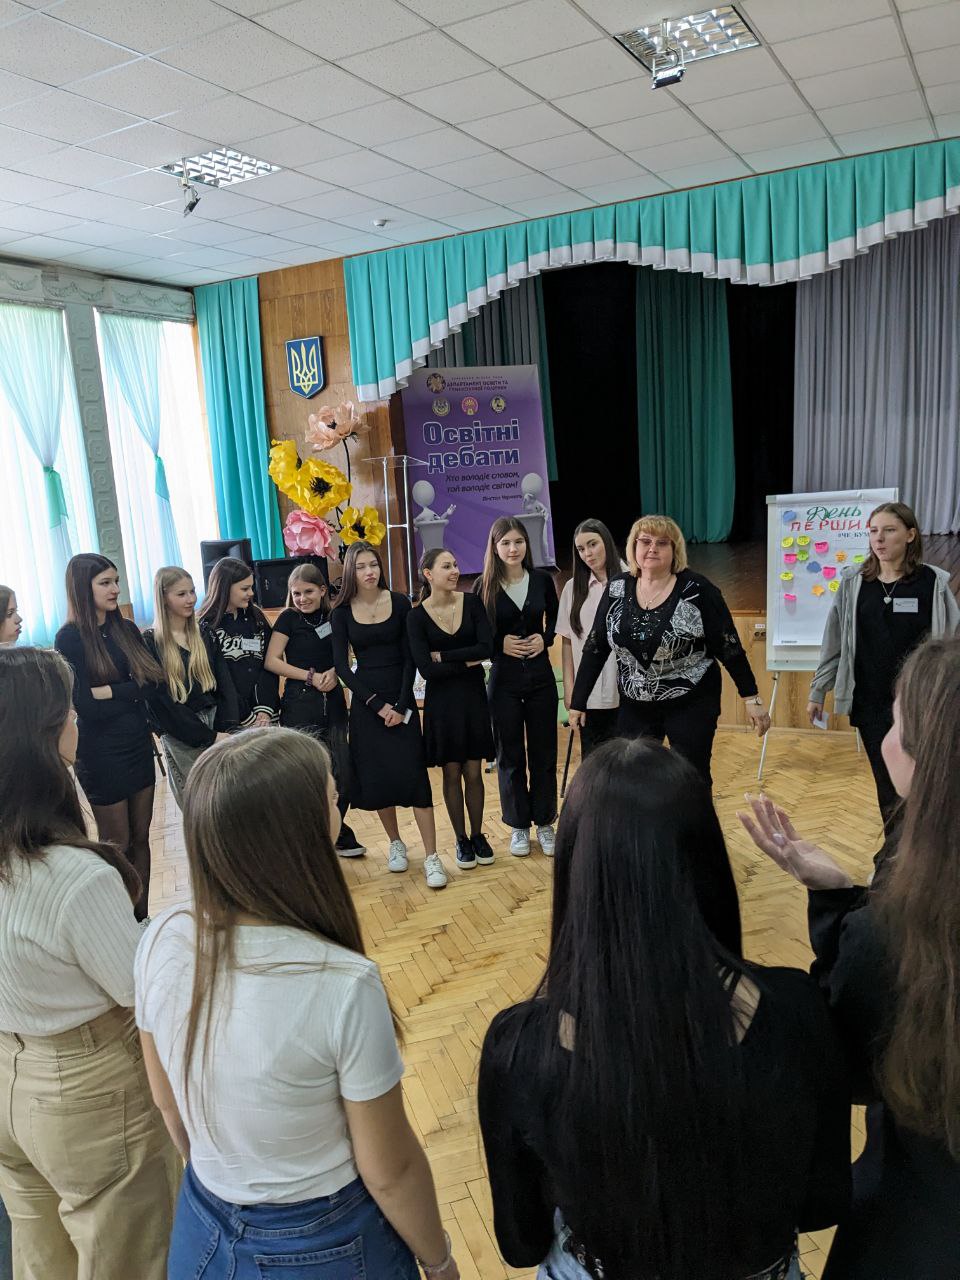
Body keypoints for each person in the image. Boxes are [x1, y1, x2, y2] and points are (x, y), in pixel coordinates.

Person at [479, 738, 850, 1280]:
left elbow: (521, 1242)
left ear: (577, 872)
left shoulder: (519, 1047)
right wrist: (839, 899)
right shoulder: (795, 1010)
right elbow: (823, 1203)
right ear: (708, 863)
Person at [135, 728, 459, 1280]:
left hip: (202, 1223)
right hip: (326, 1243)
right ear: (295, 831)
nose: (339, 800)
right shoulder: (343, 984)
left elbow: (168, 1104)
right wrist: (440, 1260)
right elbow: (390, 1170)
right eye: (331, 796)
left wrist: (229, 1176)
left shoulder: (162, 937)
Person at [741, 636, 960, 1280]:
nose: (884, 738)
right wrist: (844, 894)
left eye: (894, 722)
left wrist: (843, 910)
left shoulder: (893, 938)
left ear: (924, 760)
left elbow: (854, 1069)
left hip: (918, 1224)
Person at [0, 647, 181, 1280]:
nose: (77, 719)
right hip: (85, 1088)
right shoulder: (75, 878)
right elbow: (139, 991)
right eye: (68, 710)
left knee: (41, 1255)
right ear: (45, 736)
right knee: (129, 1256)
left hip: (9, 1074)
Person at [569, 514, 769, 787]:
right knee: (633, 779)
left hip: (690, 700)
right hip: (635, 703)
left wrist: (751, 698)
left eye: (662, 543)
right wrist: (578, 702)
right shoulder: (617, 588)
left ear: (675, 550)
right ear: (633, 547)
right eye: (645, 541)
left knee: (690, 777)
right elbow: (596, 646)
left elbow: (729, 647)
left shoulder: (698, 590)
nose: (652, 548)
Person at [807, 501, 959, 831]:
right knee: (887, 785)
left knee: (923, 784)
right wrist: (818, 690)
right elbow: (835, 641)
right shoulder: (854, 582)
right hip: (870, 702)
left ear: (910, 535)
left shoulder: (932, 583)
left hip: (920, 703)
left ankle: (923, 849)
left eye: (889, 530)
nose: (879, 538)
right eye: (873, 531)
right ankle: (894, 851)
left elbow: (951, 645)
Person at [331, 542, 448, 889]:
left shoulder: (399, 602)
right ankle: (396, 843)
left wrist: (400, 705)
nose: (369, 572)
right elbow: (342, 667)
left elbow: (411, 657)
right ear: (351, 572)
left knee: (415, 778)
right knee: (378, 777)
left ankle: (432, 855)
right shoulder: (341, 613)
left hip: (402, 697)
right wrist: (377, 706)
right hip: (367, 705)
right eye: (361, 567)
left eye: (374, 565)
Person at [55, 553, 163, 920]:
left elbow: (152, 684)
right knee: (117, 845)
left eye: (116, 580)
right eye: (105, 582)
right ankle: (119, 923)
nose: (115, 589)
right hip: (100, 753)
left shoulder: (127, 629)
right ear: (82, 588)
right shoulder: (69, 638)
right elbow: (86, 706)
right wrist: (129, 690)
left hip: (137, 744)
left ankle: (142, 919)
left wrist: (110, 691)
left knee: (141, 839)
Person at [265, 562, 365, 859]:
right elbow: (272, 660)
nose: (302, 598)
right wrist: (308, 676)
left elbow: (347, 655)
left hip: (333, 701)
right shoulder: (288, 618)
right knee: (309, 774)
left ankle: (335, 829)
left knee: (343, 774)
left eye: (308, 592)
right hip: (300, 703)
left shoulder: (335, 616)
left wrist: (334, 672)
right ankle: (315, 838)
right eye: (296, 593)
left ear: (322, 590)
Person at [407, 549, 496, 871]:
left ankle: (478, 835)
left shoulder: (472, 603)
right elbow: (425, 669)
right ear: (428, 574)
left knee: (474, 770)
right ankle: (460, 839)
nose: (455, 570)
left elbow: (487, 647)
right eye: (447, 566)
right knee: (451, 771)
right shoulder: (416, 617)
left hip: (472, 696)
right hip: (442, 702)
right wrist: (468, 661)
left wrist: (445, 656)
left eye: (456, 564)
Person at [475, 517, 559, 858]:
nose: (513, 549)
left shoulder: (541, 580)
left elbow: (555, 618)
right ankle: (519, 825)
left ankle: (545, 821)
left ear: (527, 544)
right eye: (506, 543)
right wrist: (499, 646)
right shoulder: (483, 585)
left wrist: (545, 639)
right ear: (495, 547)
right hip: (504, 681)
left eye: (518, 542)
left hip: (540, 677)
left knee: (544, 752)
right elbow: (478, 633)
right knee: (509, 755)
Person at [142, 566, 238, 810]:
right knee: (198, 806)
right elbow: (162, 703)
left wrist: (224, 728)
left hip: (216, 723)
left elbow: (224, 684)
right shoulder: (150, 643)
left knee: (227, 803)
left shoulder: (204, 633)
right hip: (181, 733)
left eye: (193, 591)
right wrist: (208, 736)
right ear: (164, 598)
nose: (191, 599)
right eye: (181, 594)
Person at [557, 519, 623, 758]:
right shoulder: (572, 588)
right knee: (594, 765)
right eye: (581, 549)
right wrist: (571, 691)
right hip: (589, 695)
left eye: (593, 544)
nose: (587, 554)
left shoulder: (632, 580)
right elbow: (567, 642)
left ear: (607, 542)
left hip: (626, 694)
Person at [197, 556, 279, 728]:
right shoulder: (205, 625)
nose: (251, 593)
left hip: (264, 715)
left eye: (251, 587)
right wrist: (245, 715)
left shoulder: (257, 617)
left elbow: (271, 664)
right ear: (224, 588)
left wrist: (264, 709)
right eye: (244, 589)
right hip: (230, 718)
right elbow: (215, 679)